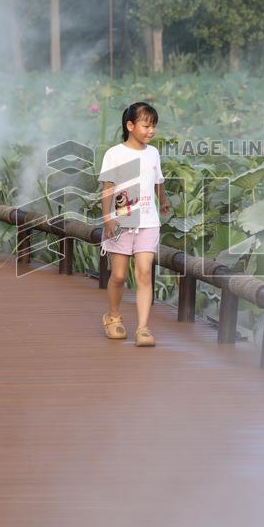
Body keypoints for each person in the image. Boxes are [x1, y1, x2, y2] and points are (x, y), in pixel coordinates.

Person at [99, 102, 171, 347]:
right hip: (122, 218)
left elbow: (158, 179)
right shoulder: (115, 154)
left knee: (144, 273)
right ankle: (113, 315)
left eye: (154, 126)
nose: (151, 131)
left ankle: (143, 327)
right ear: (130, 126)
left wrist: (163, 200)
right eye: (146, 125)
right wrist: (108, 218)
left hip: (149, 220)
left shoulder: (153, 153)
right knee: (118, 275)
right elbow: (108, 186)